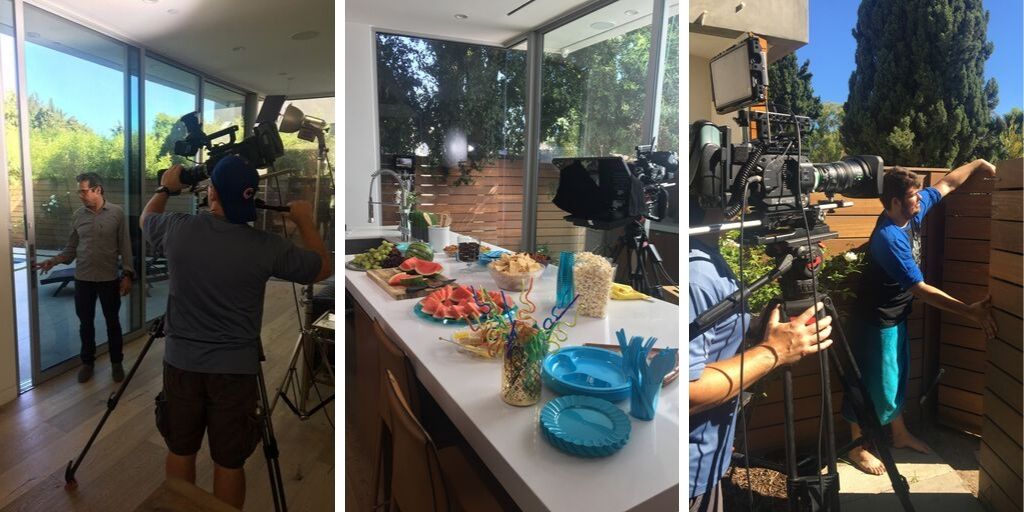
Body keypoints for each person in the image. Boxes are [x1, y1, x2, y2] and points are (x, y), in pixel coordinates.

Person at [140, 156, 331, 509]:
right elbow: (321, 268)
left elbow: (145, 219)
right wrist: (305, 221)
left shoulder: (178, 229)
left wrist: (166, 187)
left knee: (180, 449)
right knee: (229, 461)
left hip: (181, 365)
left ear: (212, 193)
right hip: (235, 373)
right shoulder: (266, 246)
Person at [842, 161, 998, 475]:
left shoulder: (912, 210)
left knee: (897, 378)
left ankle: (899, 435)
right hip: (875, 321)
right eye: (914, 196)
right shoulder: (888, 240)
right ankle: (857, 449)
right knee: (871, 384)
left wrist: (979, 163)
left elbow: (948, 184)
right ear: (896, 202)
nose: (920, 199)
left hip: (897, 314)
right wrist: (969, 312)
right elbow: (922, 290)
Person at [689, 208, 835, 512]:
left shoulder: (704, 253)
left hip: (706, 458)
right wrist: (774, 352)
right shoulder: (696, 274)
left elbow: (714, 336)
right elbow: (688, 393)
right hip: (690, 476)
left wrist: (757, 326)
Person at [35, 172, 135, 383]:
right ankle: (87, 363)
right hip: (84, 279)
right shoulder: (78, 215)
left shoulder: (117, 213)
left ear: (97, 190)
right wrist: (53, 261)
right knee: (85, 324)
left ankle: (116, 363)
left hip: (109, 278)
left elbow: (125, 247)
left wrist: (127, 274)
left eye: (83, 191)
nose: (80, 195)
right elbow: (71, 248)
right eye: (79, 191)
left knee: (112, 323)